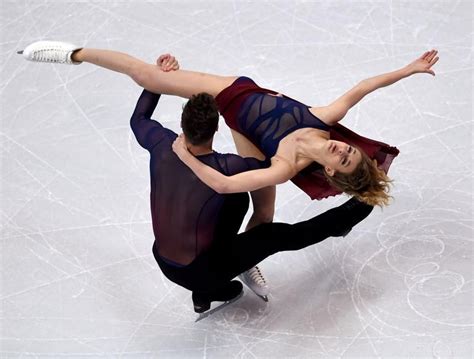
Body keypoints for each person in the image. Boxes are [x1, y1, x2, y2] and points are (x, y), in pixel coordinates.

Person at [19, 41, 437, 216]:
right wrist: (410, 69)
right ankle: (71, 53)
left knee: (265, 212)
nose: (344, 152)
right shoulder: (324, 121)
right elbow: (364, 87)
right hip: (233, 94)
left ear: (330, 172)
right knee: (147, 77)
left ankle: (248, 257)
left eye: (343, 161)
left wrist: (186, 155)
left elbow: (221, 186)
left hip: (252, 141)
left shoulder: (284, 166)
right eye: (350, 151)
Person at [129, 84, 375, 314]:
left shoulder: (161, 143)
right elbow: (274, 163)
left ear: (183, 123)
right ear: (216, 128)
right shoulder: (228, 166)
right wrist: (276, 116)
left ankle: (203, 295)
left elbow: (138, 119)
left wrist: (154, 83)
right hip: (202, 271)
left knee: (235, 200)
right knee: (278, 236)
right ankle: (349, 215)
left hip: (163, 260)